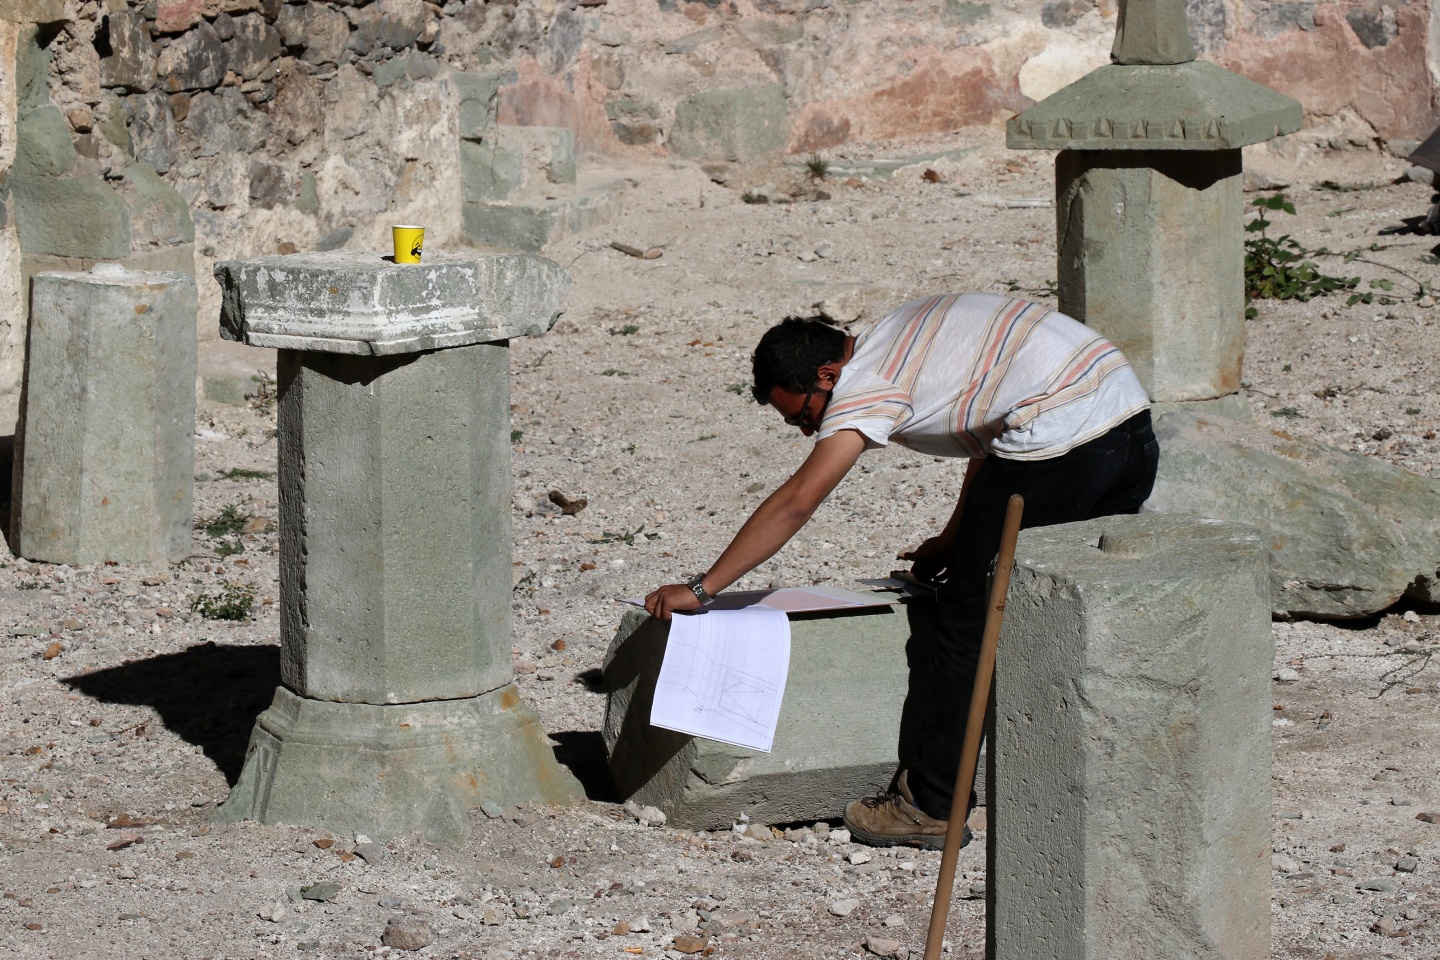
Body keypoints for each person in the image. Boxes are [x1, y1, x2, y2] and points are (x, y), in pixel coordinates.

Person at [643, 292, 1158, 848]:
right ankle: (1110, 778)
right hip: (1127, 419)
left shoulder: (863, 383)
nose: (808, 430)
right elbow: (992, 432)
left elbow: (798, 500)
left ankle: (930, 806)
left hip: (1061, 442)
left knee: (967, 623)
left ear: (827, 373)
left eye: (804, 415)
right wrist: (954, 539)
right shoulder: (899, 327)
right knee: (1076, 607)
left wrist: (703, 587)